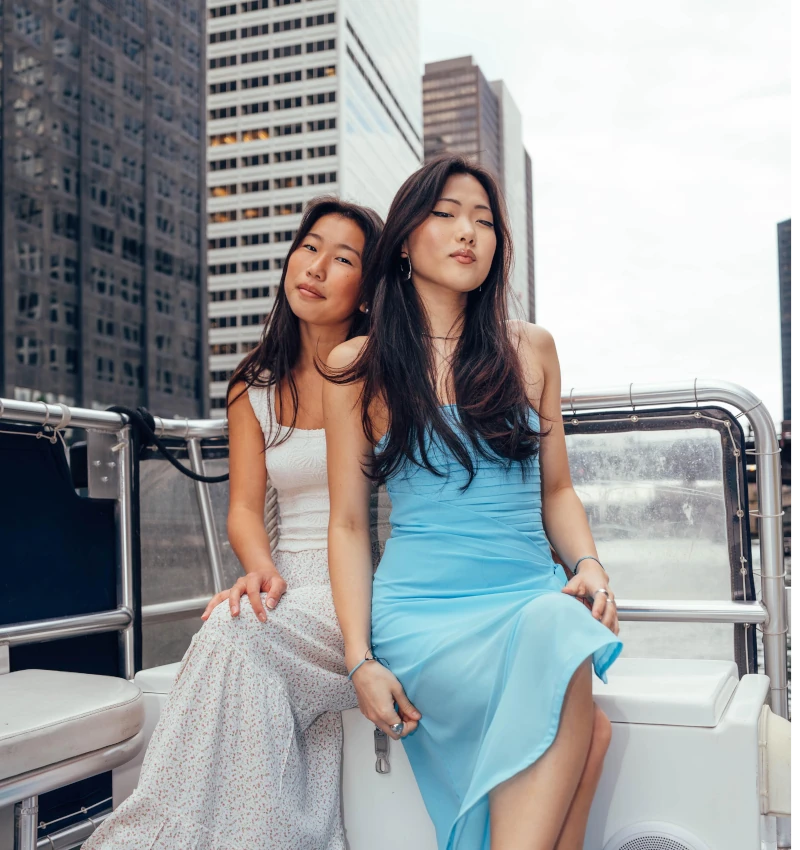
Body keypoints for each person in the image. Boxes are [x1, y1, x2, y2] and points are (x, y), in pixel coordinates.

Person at [323, 156, 623, 850]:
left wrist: (589, 564)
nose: (468, 232)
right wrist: (359, 659)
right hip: (423, 615)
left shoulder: (532, 349)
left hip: (527, 595)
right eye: (447, 214)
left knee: (566, 642)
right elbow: (348, 524)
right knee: (585, 719)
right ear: (405, 238)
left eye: (484, 221)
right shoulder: (357, 365)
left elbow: (557, 491)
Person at [85, 197, 383, 850]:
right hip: (286, 581)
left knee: (231, 632)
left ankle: (158, 836)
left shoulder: (378, 375)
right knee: (236, 626)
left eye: (342, 259)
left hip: (360, 589)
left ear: (366, 294)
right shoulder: (255, 383)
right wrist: (261, 569)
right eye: (309, 247)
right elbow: (245, 508)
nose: (316, 267)